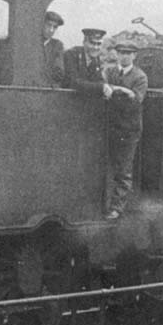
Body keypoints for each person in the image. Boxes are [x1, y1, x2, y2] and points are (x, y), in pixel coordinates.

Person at [102, 40, 148, 220]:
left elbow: (136, 99)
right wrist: (122, 90)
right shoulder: (110, 71)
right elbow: (103, 86)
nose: (124, 56)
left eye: (128, 53)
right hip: (111, 126)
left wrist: (115, 89)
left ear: (134, 56)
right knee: (107, 167)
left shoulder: (140, 76)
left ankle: (117, 208)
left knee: (123, 170)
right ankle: (105, 204)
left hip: (129, 129)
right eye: (121, 52)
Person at [63, 28, 109, 94]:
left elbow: (99, 80)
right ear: (84, 42)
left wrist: (105, 86)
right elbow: (74, 82)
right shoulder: (71, 54)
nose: (95, 47)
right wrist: (101, 87)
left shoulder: (95, 59)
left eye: (99, 44)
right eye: (92, 43)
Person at [42, 10, 65, 87]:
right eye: (49, 25)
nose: (51, 30)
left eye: (55, 27)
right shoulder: (31, 43)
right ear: (42, 24)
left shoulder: (57, 46)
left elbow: (59, 72)